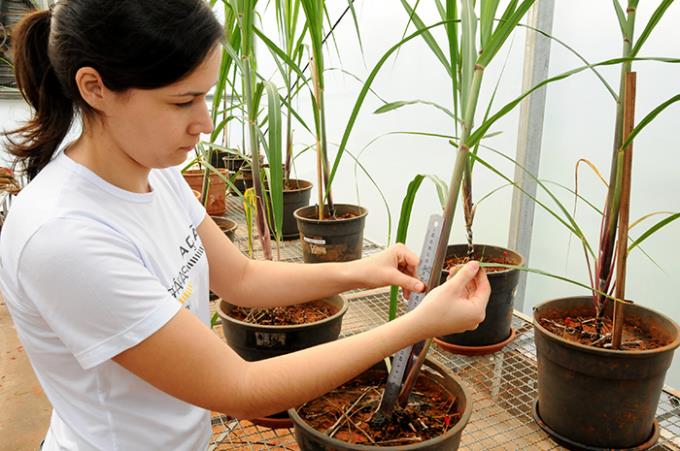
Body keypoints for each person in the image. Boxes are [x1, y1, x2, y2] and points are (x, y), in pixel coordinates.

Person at [0, 1, 491, 450]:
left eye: (206, 96)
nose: (206, 121)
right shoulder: (64, 237)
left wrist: (366, 270)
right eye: (182, 101)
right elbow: (241, 389)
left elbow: (240, 278)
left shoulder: (156, 174)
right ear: (95, 88)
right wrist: (417, 325)